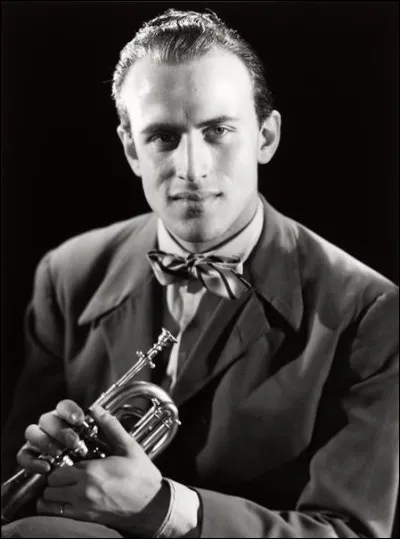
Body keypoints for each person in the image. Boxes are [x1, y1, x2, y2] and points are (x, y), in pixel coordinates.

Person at [1, 8, 398, 538]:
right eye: (163, 137)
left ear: (266, 137)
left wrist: (164, 508)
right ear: (131, 148)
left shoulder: (372, 313)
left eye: (218, 131)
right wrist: (45, 463)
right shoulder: (68, 274)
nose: (192, 167)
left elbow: (351, 533)